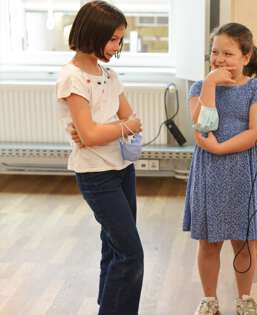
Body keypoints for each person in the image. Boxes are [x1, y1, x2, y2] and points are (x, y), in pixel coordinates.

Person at [56, 1, 144, 314]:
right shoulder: (73, 78)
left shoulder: (108, 74)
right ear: (92, 34)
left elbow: (132, 120)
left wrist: (106, 129)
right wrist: (117, 128)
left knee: (114, 247)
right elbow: (94, 134)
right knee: (131, 253)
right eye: (113, 39)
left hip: (122, 169)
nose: (117, 46)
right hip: (96, 176)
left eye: (120, 39)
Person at [183, 22, 257, 315]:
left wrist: (221, 148)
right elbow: (203, 125)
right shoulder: (199, 87)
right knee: (210, 242)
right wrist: (210, 84)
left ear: (246, 58)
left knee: (244, 243)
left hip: (244, 172)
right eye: (214, 52)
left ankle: (244, 298)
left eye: (228, 53)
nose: (219, 59)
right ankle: (209, 300)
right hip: (209, 173)